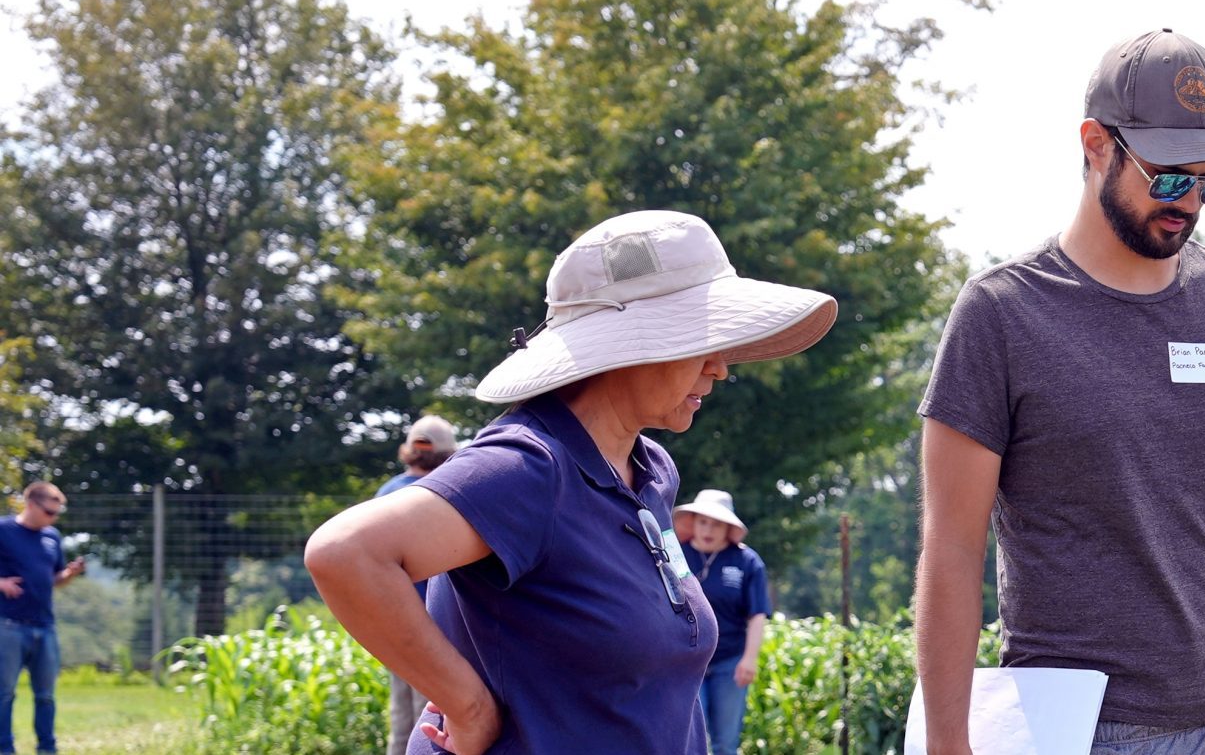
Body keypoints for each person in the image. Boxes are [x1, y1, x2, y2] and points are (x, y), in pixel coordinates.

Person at [913, 28, 1205, 755]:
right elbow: (952, 545)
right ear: (1095, 144)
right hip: (1065, 728)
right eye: (1171, 175)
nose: (1190, 202)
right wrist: (947, 741)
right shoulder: (1001, 314)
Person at [306, 210, 839, 755]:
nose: (720, 366)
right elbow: (347, 554)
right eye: (701, 339)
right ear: (628, 346)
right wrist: (468, 707)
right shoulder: (528, 467)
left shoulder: (651, 470)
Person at [374, 415, 458, 755]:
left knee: (401, 716)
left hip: (390, 624)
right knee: (434, 718)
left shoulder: (387, 492)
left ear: (410, 450)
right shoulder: (442, 494)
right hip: (434, 627)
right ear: (448, 452)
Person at [673, 489, 768, 755]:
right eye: (703, 521)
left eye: (716, 523)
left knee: (725, 743)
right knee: (690, 740)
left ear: (728, 527)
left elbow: (757, 615)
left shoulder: (747, 562)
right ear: (693, 522)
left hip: (730, 663)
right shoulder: (675, 557)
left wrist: (749, 659)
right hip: (686, 663)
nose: (709, 529)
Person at [0, 482, 84, 755]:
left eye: (57, 513)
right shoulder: (4, 530)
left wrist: (69, 575)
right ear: (32, 504)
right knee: (4, 693)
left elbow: (54, 578)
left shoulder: (52, 537)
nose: (54, 518)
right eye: (50, 512)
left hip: (45, 626)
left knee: (46, 695)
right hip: (8, 625)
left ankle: (47, 749)